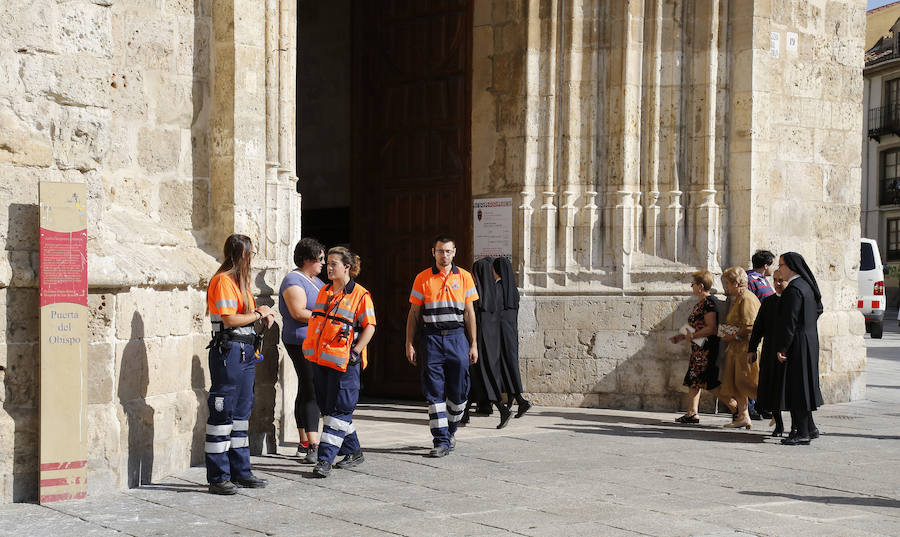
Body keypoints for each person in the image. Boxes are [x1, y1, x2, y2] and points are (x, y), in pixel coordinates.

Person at [204, 234, 275, 495]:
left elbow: (246, 317)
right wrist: (259, 313)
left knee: (241, 415)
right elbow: (230, 319)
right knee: (223, 413)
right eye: (251, 253)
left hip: (245, 352)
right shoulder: (223, 281)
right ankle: (218, 475)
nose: (252, 258)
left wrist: (263, 317)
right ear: (241, 254)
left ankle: (241, 471)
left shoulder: (241, 283)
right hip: (229, 352)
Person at [302, 247, 376, 477]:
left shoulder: (361, 295)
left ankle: (325, 460)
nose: (329, 267)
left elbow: (369, 326)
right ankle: (353, 451)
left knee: (339, 410)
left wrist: (357, 351)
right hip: (322, 362)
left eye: (334, 263)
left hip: (346, 364)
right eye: (328, 263)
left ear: (347, 267)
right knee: (328, 410)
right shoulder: (324, 291)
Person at [406, 234, 479, 457]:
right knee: (434, 391)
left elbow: (469, 313)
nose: (444, 255)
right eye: (440, 251)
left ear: (454, 252)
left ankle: (450, 430)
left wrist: (474, 343)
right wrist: (409, 342)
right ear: (433, 252)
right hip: (432, 339)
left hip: (457, 337)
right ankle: (440, 441)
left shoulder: (465, 277)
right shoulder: (422, 278)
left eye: (448, 251)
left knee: (459, 392)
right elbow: (414, 313)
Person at [278, 238, 325, 464]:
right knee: (311, 388)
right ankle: (311, 444)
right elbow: (298, 312)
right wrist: (329, 318)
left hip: (315, 340)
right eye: (320, 259)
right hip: (300, 341)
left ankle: (304, 441)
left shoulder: (314, 280)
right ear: (308, 259)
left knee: (307, 387)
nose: (323, 264)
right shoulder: (292, 280)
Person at [775, 252, 824, 446]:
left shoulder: (794, 289)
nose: (779, 270)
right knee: (804, 384)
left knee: (798, 387)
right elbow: (819, 309)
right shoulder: (807, 286)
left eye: (781, 265)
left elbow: (790, 323)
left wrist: (783, 347)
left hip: (798, 343)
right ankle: (810, 427)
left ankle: (802, 432)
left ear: (792, 267)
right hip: (809, 340)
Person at [669, 270, 720, 424]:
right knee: (694, 380)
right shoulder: (701, 303)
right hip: (698, 349)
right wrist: (681, 336)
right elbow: (695, 324)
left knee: (707, 382)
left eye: (693, 284)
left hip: (705, 350)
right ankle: (692, 413)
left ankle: (738, 409)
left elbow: (711, 328)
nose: (691, 286)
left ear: (700, 286)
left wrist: (693, 336)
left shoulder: (709, 303)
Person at [468, 256, 512, 428]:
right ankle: (464, 415)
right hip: (492, 346)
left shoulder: (478, 297)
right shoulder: (496, 294)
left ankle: (502, 409)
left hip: (480, 345)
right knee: (476, 379)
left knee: (481, 377)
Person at [717, 267, 761, 429]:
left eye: (727, 283)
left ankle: (774, 412)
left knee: (749, 384)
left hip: (745, 350)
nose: (726, 287)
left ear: (737, 283)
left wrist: (733, 335)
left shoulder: (747, 299)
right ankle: (743, 416)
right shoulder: (739, 298)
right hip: (737, 350)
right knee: (737, 384)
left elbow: (751, 326)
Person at [747, 270, 787, 436]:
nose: (777, 283)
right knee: (772, 389)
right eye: (775, 280)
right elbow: (758, 327)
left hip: (787, 351)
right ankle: (778, 424)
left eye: (781, 280)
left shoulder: (794, 301)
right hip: (770, 349)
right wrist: (752, 348)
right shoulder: (769, 302)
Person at [493, 256, 532, 419]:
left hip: (501, 335)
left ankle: (520, 400)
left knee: (507, 367)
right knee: (509, 366)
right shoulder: (512, 290)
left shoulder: (498, 289)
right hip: (511, 334)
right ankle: (512, 400)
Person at [746, 249, 775, 420]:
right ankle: (751, 406)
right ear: (765, 265)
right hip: (756, 329)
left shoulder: (764, 280)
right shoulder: (751, 280)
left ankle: (761, 403)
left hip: (767, 330)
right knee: (751, 369)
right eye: (772, 264)